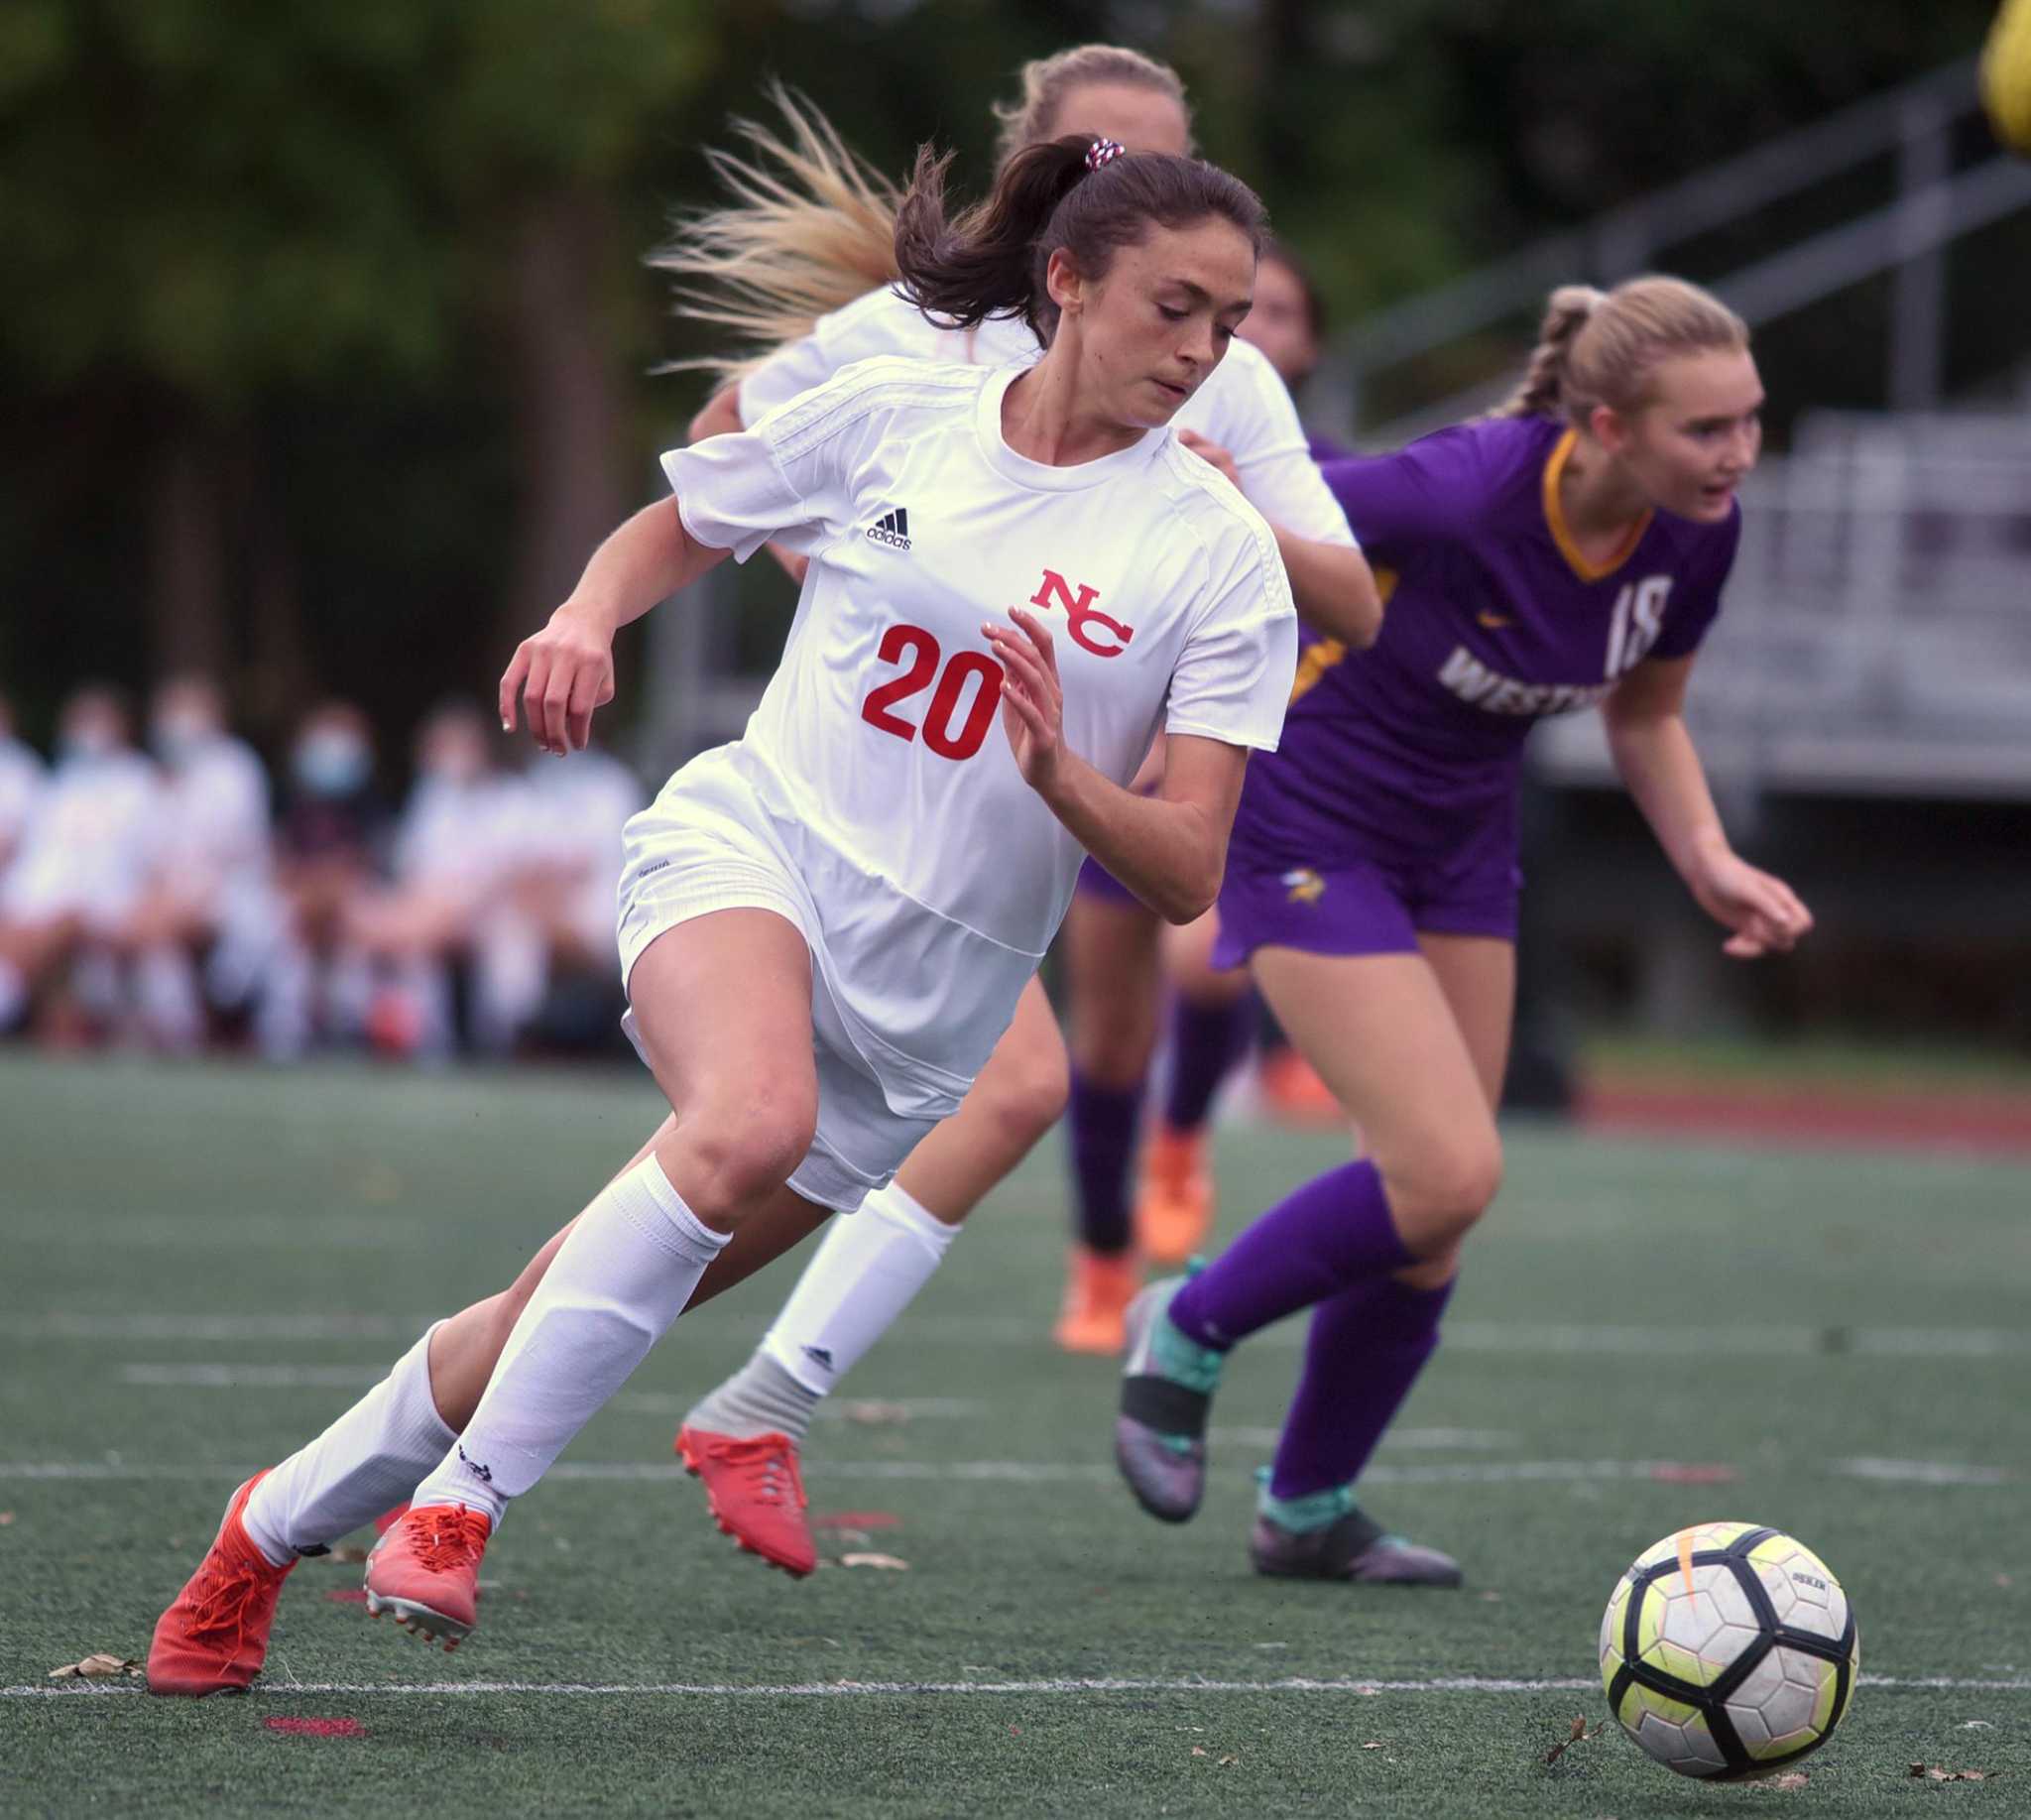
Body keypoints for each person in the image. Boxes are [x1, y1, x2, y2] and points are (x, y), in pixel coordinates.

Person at [145, 130, 1297, 1691]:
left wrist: (1060, 775)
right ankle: (463, 1509)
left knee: (536, 1321)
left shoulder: (1218, 553)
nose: (1206, 350)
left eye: (1229, 322)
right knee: (750, 1112)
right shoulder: (902, 411)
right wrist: (582, 615)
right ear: (1070, 278)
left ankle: (255, 1541)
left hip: (920, 1031)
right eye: (1178, 307)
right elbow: (679, 519)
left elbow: (1185, 869)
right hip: (755, 854)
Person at [667, 49, 1376, 1359]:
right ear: (1043, 187)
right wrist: (859, 579)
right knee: (1035, 1069)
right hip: (910, 780)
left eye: (1160, 162)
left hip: (1126, 760)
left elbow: (1357, 606)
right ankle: (757, 1381)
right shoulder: (923, 335)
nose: (1133, 181)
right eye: (1105, 160)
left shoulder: (1223, 376)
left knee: (1057, 1053)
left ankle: (760, 1384)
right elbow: (724, 452)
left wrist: (1226, 511)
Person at [1114, 277, 1813, 1587]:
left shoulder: (1697, 530)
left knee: (1431, 1210)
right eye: (1706, 429)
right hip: (1309, 816)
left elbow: (1647, 714)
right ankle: (1187, 1325)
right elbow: (1265, 514)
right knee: (1445, 1170)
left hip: (1461, 850)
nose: (1738, 454)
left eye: (1749, 422)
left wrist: (1709, 857)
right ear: (1606, 424)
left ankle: (1308, 1503)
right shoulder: (1464, 489)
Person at [114, 674, 272, 1052]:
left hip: (230, 895)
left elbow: (229, 854)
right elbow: (146, 857)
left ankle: (182, 1031)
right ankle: (167, 1028)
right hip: (167, 897)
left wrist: (178, 900)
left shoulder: (234, 767)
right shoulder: (153, 778)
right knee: (135, 927)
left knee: (158, 926)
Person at [0, 685, 158, 1038]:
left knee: (57, 926)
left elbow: (145, 860)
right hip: (42, 898)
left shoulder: (138, 782)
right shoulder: (60, 784)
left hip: (108, 901)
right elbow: (39, 855)